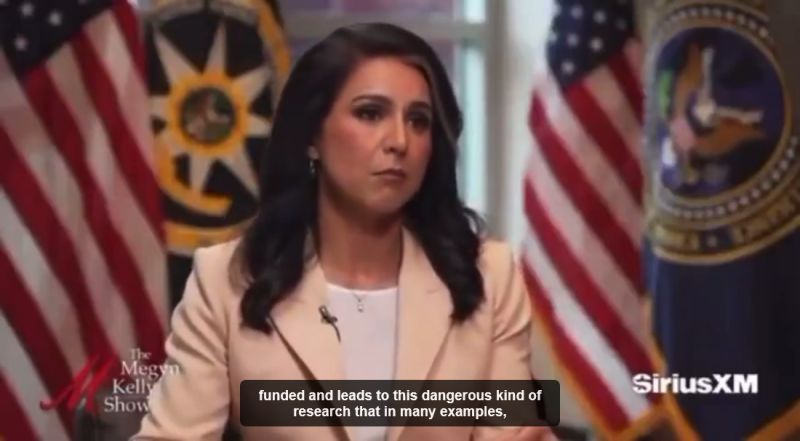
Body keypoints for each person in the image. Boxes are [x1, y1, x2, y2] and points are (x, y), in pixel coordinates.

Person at [134, 22, 553, 441]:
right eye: (370, 113)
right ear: (312, 136)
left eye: (418, 120)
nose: (399, 141)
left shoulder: (489, 275)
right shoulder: (226, 279)